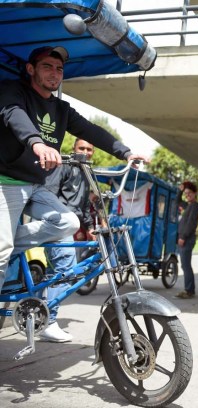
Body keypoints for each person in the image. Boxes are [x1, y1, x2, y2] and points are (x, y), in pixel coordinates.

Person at [0, 46, 149, 338]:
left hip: (34, 185)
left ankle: (8, 244)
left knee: (68, 222)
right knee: (1, 253)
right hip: (5, 181)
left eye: (59, 69)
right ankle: (4, 248)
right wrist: (37, 143)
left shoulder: (62, 110)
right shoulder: (12, 91)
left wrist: (126, 152)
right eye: (47, 67)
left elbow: (92, 130)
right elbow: (13, 114)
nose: (54, 74)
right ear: (31, 69)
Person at [38, 138, 96, 342]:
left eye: (89, 149)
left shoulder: (86, 172)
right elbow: (48, 196)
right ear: (74, 149)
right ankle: (47, 322)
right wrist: (57, 222)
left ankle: (39, 314)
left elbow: (84, 204)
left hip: (74, 227)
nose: (86, 152)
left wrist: (90, 227)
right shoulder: (63, 166)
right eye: (82, 148)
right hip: (59, 224)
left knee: (56, 274)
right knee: (65, 270)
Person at [175, 181, 198, 299]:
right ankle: (189, 289)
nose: (187, 195)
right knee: (185, 265)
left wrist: (183, 237)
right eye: (186, 194)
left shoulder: (195, 206)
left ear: (195, 193)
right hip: (184, 239)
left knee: (186, 265)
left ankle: (189, 290)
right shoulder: (189, 205)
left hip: (187, 239)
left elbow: (191, 224)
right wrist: (180, 190)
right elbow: (177, 202)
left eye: (189, 193)